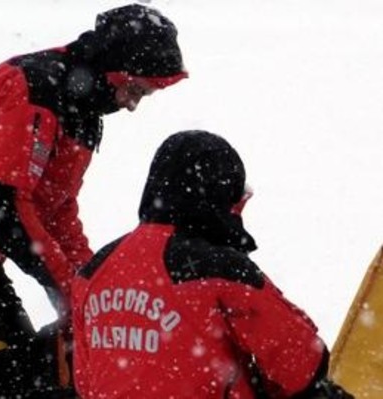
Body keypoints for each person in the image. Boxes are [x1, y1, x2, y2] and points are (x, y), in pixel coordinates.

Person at [0, 4, 187, 398]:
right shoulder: (37, 88)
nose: (131, 104)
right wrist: (63, 283)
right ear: (114, 68)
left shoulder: (84, 112)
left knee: (25, 365)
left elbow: (57, 211)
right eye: (135, 89)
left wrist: (87, 283)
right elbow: (1, 201)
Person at [72, 131, 354, 398]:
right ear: (219, 194)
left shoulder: (94, 270)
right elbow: (301, 364)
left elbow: (84, 384)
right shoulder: (220, 268)